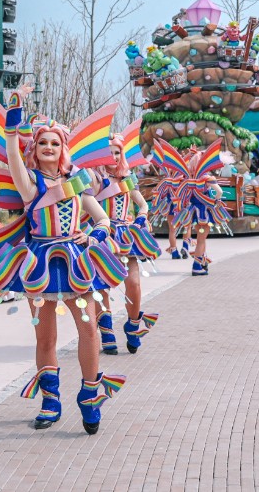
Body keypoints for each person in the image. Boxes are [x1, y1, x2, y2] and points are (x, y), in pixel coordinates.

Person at [0, 89, 130, 434]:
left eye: (54, 143)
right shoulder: (28, 182)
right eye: (42, 143)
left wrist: (92, 236)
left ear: (63, 148)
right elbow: (11, 152)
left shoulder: (77, 182)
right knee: (44, 337)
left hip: (77, 264)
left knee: (89, 330)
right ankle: (50, 400)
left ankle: (89, 395)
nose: (48, 148)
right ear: (34, 149)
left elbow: (103, 219)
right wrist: (13, 116)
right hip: (39, 266)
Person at [93, 128, 162, 356]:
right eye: (109, 152)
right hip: (102, 235)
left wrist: (142, 216)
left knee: (133, 282)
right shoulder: (95, 178)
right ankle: (106, 330)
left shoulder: (128, 177)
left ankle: (133, 324)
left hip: (125, 235)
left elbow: (142, 204)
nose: (113, 157)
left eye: (116, 153)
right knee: (102, 285)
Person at [157, 138, 230, 276]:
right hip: (204, 213)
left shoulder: (188, 179)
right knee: (202, 239)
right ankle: (197, 265)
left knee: (199, 237)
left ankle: (202, 262)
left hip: (192, 213)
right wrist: (216, 200)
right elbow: (219, 191)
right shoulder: (206, 178)